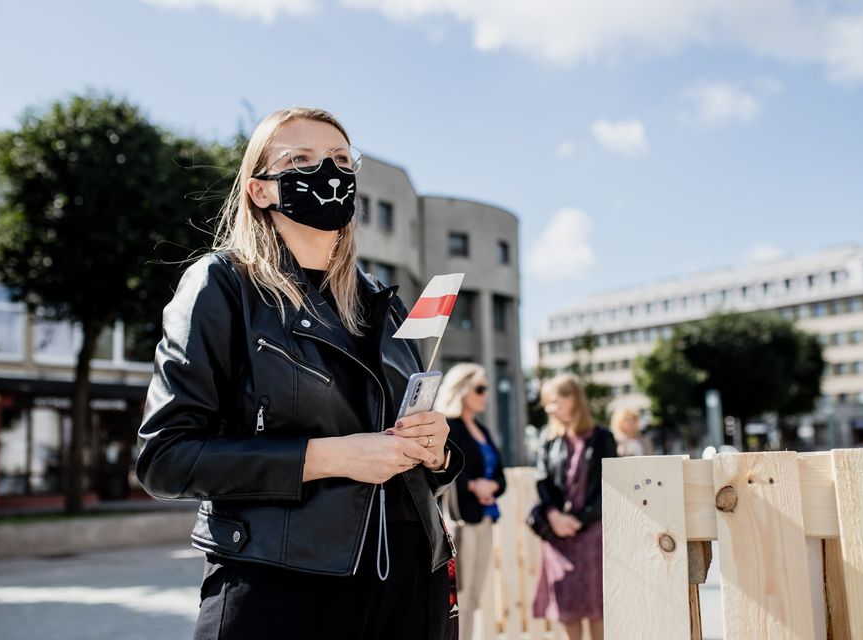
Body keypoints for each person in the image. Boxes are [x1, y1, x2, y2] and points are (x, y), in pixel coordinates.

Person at [134, 107, 463, 640]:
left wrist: (438, 449)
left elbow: (410, 446)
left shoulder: (385, 303)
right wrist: (329, 456)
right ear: (260, 190)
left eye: (338, 159)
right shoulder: (223, 285)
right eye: (300, 160)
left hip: (410, 579)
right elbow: (165, 459)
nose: (326, 173)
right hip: (283, 584)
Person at [532, 373, 616, 640]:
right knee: (567, 604)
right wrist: (554, 515)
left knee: (597, 605)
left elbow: (610, 485)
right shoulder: (549, 439)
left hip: (593, 535)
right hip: (560, 537)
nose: (548, 408)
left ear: (572, 399)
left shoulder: (603, 437)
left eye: (554, 401)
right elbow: (542, 481)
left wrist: (581, 519)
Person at [434, 363, 506, 640]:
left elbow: (500, 473)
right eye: (480, 388)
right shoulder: (449, 428)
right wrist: (474, 485)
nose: (486, 394)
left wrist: (493, 484)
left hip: (486, 518)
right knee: (460, 596)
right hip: (461, 521)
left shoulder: (482, 430)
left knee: (475, 594)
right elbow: (445, 471)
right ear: (462, 390)